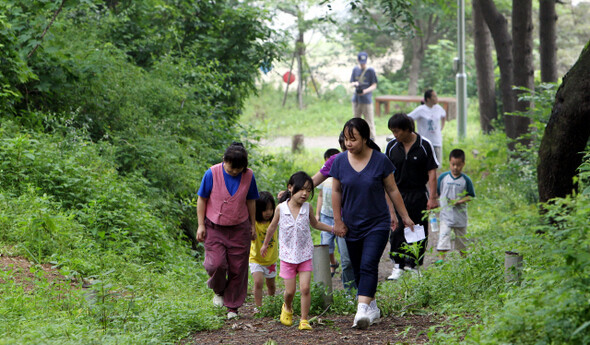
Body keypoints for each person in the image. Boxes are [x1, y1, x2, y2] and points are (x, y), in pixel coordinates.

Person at [330, 118, 414, 330]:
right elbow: (336, 191)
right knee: (358, 267)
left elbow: (393, 190)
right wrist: (338, 221)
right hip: (350, 224)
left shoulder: (380, 160)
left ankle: (361, 311)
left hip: (377, 222)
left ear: (365, 138)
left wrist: (404, 216)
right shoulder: (339, 161)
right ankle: (372, 306)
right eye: (346, 139)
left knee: (368, 264)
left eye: (353, 139)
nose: (349, 143)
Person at [261, 171, 334, 331]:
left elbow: (315, 224)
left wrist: (333, 229)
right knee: (289, 291)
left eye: (308, 190)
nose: (305, 193)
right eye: (301, 189)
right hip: (287, 256)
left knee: (305, 288)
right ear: (290, 188)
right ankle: (287, 307)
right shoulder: (281, 208)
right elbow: (272, 226)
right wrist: (265, 244)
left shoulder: (308, 208)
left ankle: (303, 320)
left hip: (305, 254)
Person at [196, 142, 259, 320]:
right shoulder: (212, 173)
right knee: (215, 264)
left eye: (238, 170)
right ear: (224, 160)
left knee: (238, 268)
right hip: (214, 227)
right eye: (231, 169)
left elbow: (251, 201)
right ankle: (218, 290)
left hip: (240, 227)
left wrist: (252, 225)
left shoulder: (248, 176)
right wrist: (201, 225)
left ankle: (233, 307)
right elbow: (202, 199)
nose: (234, 173)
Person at [385, 113, 439, 280]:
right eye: (392, 131)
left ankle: (415, 265)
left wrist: (433, 197)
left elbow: (432, 173)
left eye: (397, 131)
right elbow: (386, 174)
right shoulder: (391, 147)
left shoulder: (425, 145)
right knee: (397, 229)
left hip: (418, 193)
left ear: (408, 129)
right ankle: (398, 265)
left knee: (418, 228)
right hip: (397, 193)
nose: (395, 135)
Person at [437, 149, 475, 259]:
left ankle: (464, 261)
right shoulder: (443, 178)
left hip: (460, 216)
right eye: (453, 164)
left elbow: (470, 196)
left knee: (462, 241)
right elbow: (438, 192)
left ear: (463, 164)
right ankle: (441, 262)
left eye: (458, 165)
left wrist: (459, 201)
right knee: (443, 238)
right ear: (449, 162)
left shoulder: (466, 180)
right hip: (446, 216)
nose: (455, 168)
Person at [249, 191, 277, 313]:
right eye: (265, 209)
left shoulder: (274, 221)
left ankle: (271, 304)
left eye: (271, 209)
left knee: (271, 285)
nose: (268, 212)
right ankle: (258, 307)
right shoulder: (253, 222)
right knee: (258, 282)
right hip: (256, 258)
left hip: (271, 260)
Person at [316, 148, 342, 277]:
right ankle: (332, 263)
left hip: (340, 217)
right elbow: (320, 196)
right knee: (326, 244)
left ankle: (346, 268)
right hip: (326, 215)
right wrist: (317, 213)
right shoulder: (324, 178)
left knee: (343, 246)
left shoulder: (341, 177)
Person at [408, 89, 446, 164]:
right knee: (424, 165)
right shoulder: (421, 109)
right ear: (428, 99)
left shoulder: (438, 108)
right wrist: (412, 131)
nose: (436, 98)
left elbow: (443, 115)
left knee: (437, 165)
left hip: (437, 142)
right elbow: (408, 118)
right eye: (434, 96)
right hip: (424, 142)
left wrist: (442, 127)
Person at [350, 51, 378, 140]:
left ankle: (372, 141)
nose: (363, 64)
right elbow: (351, 82)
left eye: (364, 62)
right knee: (355, 122)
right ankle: (357, 140)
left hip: (367, 100)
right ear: (358, 60)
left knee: (369, 122)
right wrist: (355, 83)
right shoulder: (355, 69)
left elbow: (374, 85)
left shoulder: (370, 71)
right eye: (361, 62)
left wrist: (365, 91)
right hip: (356, 100)